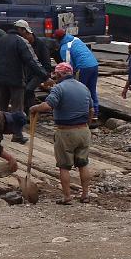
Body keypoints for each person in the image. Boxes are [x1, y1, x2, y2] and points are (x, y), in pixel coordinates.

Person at [30, 62, 93, 204]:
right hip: (83, 130)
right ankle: (85, 195)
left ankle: (67, 197)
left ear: (59, 74)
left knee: (64, 166)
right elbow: (91, 110)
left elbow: (47, 106)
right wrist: (87, 126)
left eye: (56, 74)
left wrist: (35, 108)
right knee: (83, 164)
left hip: (66, 131)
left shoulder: (59, 88)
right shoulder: (84, 87)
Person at [0, 19, 49, 143]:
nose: (26, 33)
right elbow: (32, 61)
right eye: (24, 30)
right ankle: (17, 135)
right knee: (17, 109)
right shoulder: (21, 41)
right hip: (15, 80)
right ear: (20, 30)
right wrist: (45, 77)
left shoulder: (1, 40)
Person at [54, 29, 100, 122]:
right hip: (94, 65)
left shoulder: (65, 47)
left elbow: (67, 67)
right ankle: (95, 113)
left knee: (79, 91)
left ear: (57, 39)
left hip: (83, 68)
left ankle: (80, 113)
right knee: (91, 89)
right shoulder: (76, 39)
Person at [20, 27, 52, 115]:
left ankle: (32, 112)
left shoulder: (41, 44)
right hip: (31, 72)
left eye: (26, 38)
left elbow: (46, 63)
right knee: (25, 89)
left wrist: (46, 76)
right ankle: (29, 110)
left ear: (29, 34)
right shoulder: (25, 45)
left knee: (29, 89)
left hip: (41, 72)